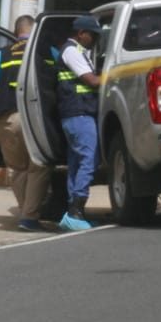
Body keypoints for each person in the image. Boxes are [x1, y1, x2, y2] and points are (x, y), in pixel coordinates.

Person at [0, 15, 51, 232]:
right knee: (38, 165)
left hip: (7, 119)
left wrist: (2, 94)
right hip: (36, 118)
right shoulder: (46, 52)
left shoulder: (2, 54)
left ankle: (25, 212)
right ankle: (29, 217)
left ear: (15, 33)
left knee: (18, 168)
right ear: (35, 32)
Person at [56, 15, 102, 231]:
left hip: (75, 114)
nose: (94, 39)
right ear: (81, 33)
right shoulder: (71, 51)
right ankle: (76, 209)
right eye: (92, 35)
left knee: (76, 161)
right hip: (79, 113)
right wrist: (116, 74)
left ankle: (73, 213)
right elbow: (91, 81)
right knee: (88, 159)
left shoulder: (78, 52)